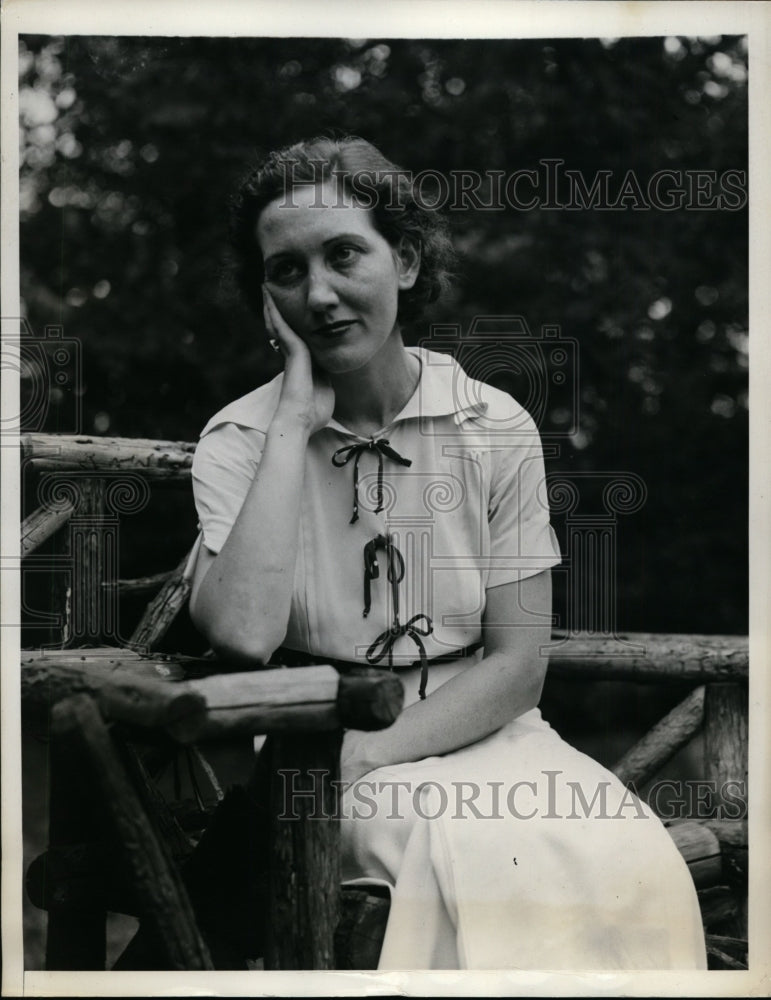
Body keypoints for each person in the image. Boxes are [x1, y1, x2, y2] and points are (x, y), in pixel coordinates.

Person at [186, 135, 707, 970]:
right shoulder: (240, 439)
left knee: (621, 853)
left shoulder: (491, 424)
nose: (318, 294)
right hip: (318, 749)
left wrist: (383, 747)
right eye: (285, 271)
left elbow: (518, 662)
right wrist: (291, 422)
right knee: (464, 859)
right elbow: (243, 636)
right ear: (263, 296)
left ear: (407, 260)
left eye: (344, 254)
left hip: (489, 730)